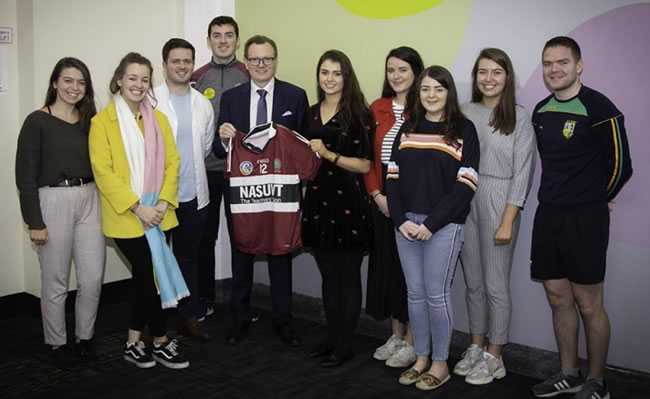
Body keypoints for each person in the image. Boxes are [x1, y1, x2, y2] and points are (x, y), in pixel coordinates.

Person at [529, 36, 632, 399]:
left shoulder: (601, 108)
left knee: (590, 304)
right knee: (558, 298)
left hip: (586, 219)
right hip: (548, 216)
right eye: (547, 63)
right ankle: (569, 374)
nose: (554, 70)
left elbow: (622, 166)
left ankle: (597, 382)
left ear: (578, 65)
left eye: (562, 62)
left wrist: (600, 198)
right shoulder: (540, 111)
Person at [89, 52, 189, 369]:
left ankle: (133, 343)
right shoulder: (101, 122)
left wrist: (161, 202)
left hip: (160, 214)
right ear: (119, 79)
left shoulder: (157, 120)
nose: (139, 84)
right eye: (132, 77)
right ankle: (159, 341)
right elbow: (102, 171)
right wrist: (137, 207)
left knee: (142, 279)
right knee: (149, 274)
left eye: (145, 79)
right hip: (126, 216)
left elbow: (172, 163)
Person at [387, 65, 479, 391]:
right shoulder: (407, 128)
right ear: (418, 93)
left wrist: (431, 223)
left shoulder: (463, 130)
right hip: (406, 226)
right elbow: (392, 179)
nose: (431, 95)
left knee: (437, 296)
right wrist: (400, 221)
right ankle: (421, 357)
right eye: (425, 89)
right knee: (415, 294)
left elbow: (466, 183)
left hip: (443, 225)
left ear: (449, 93)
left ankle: (441, 364)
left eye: (438, 89)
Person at [217, 35, 309, 346]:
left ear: (276, 61)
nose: (261, 64)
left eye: (267, 58)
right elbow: (221, 152)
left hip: (281, 192)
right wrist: (224, 138)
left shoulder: (295, 96)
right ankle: (240, 317)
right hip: (243, 192)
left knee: (280, 254)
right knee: (241, 252)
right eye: (255, 59)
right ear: (246, 62)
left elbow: (304, 147)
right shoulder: (231, 98)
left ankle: (283, 320)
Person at [453, 48, 537, 385]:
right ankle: (476, 345)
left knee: (495, 285)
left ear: (507, 77)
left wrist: (508, 220)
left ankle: (495, 355)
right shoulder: (463, 111)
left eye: (496, 72)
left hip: (500, 199)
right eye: (482, 72)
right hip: (465, 197)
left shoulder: (519, 117)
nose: (488, 78)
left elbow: (523, 174)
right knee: (472, 282)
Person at [15, 57, 105, 369]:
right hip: (51, 200)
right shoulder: (36, 121)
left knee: (92, 278)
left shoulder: (90, 119)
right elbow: (25, 176)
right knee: (55, 281)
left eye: (81, 82)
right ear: (55, 83)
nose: (74, 88)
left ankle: (85, 337)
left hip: (90, 197)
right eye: (68, 80)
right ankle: (57, 343)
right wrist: (34, 223)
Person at [302, 49, 374, 367]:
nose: (329, 79)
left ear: (346, 77)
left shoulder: (359, 113)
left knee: (348, 277)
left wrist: (330, 154)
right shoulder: (311, 112)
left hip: (349, 202)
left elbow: (363, 164)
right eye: (324, 73)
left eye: (336, 73)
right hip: (318, 201)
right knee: (328, 276)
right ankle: (332, 337)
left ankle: (345, 345)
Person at [364, 46, 423, 368]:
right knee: (386, 268)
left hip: (413, 199)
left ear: (416, 72)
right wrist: (376, 195)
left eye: (403, 69)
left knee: (411, 273)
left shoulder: (427, 109)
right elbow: (370, 160)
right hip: (382, 198)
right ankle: (396, 335)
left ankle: (413, 340)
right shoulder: (377, 108)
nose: (396, 76)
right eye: (391, 70)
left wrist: (398, 201)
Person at [154, 38, 215, 341]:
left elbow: (203, 148)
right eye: (175, 60)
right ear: (164, 64)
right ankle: (158, 320)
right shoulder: (150, 100)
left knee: (188, 258)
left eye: (187, 61)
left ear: (193, 64)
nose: (181, 66)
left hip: (192, 195)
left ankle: (188, 317)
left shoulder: (202, 103)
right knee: (158, 258)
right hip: (158, 199)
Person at [192, 16, 249, 317]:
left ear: (237, 40)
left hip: (244, 172)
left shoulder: (250, 73)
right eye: (217, 35)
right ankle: (205, 298)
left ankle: (242, 303)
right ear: (209, 40)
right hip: (208, 170)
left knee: (243, 237)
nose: (223, 40)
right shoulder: (197, 77)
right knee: (205, 236)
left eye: (229, 35)